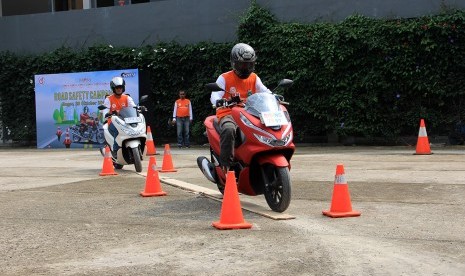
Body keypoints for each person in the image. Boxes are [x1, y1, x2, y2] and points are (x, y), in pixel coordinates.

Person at [210, 43, 271, 173]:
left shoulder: (254, 77)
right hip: (228, 113)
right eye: (242, 64)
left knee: (265, 128)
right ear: (234, 63)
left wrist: (274, 96)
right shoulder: (224, 77)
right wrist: (219, 101)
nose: (246, 68)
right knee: (229, 129)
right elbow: (215, 95)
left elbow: (265, 91)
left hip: (249, 113)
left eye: (249, 64)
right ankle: (226, 165)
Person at [101, 76, 136, 152]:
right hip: (113, 121)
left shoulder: (127, 98)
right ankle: (116, 150)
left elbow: (133, 106)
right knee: (117, 131)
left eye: (120, 87)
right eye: (117, 87)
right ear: (113, 88)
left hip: (126, 120)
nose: (119, 89)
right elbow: (105, 110)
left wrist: (139, 108)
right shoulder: (109, 99)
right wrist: (106, 114)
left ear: (123, 88)